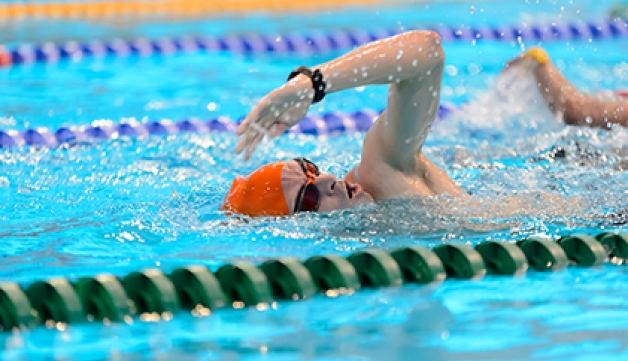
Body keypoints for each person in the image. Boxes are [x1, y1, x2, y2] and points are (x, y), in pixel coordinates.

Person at [221, 30, 627, 217]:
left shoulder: (380, 169)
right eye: (309, 198)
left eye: (311, 168)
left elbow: (426, 52)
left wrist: (312, 85)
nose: (327, 181)